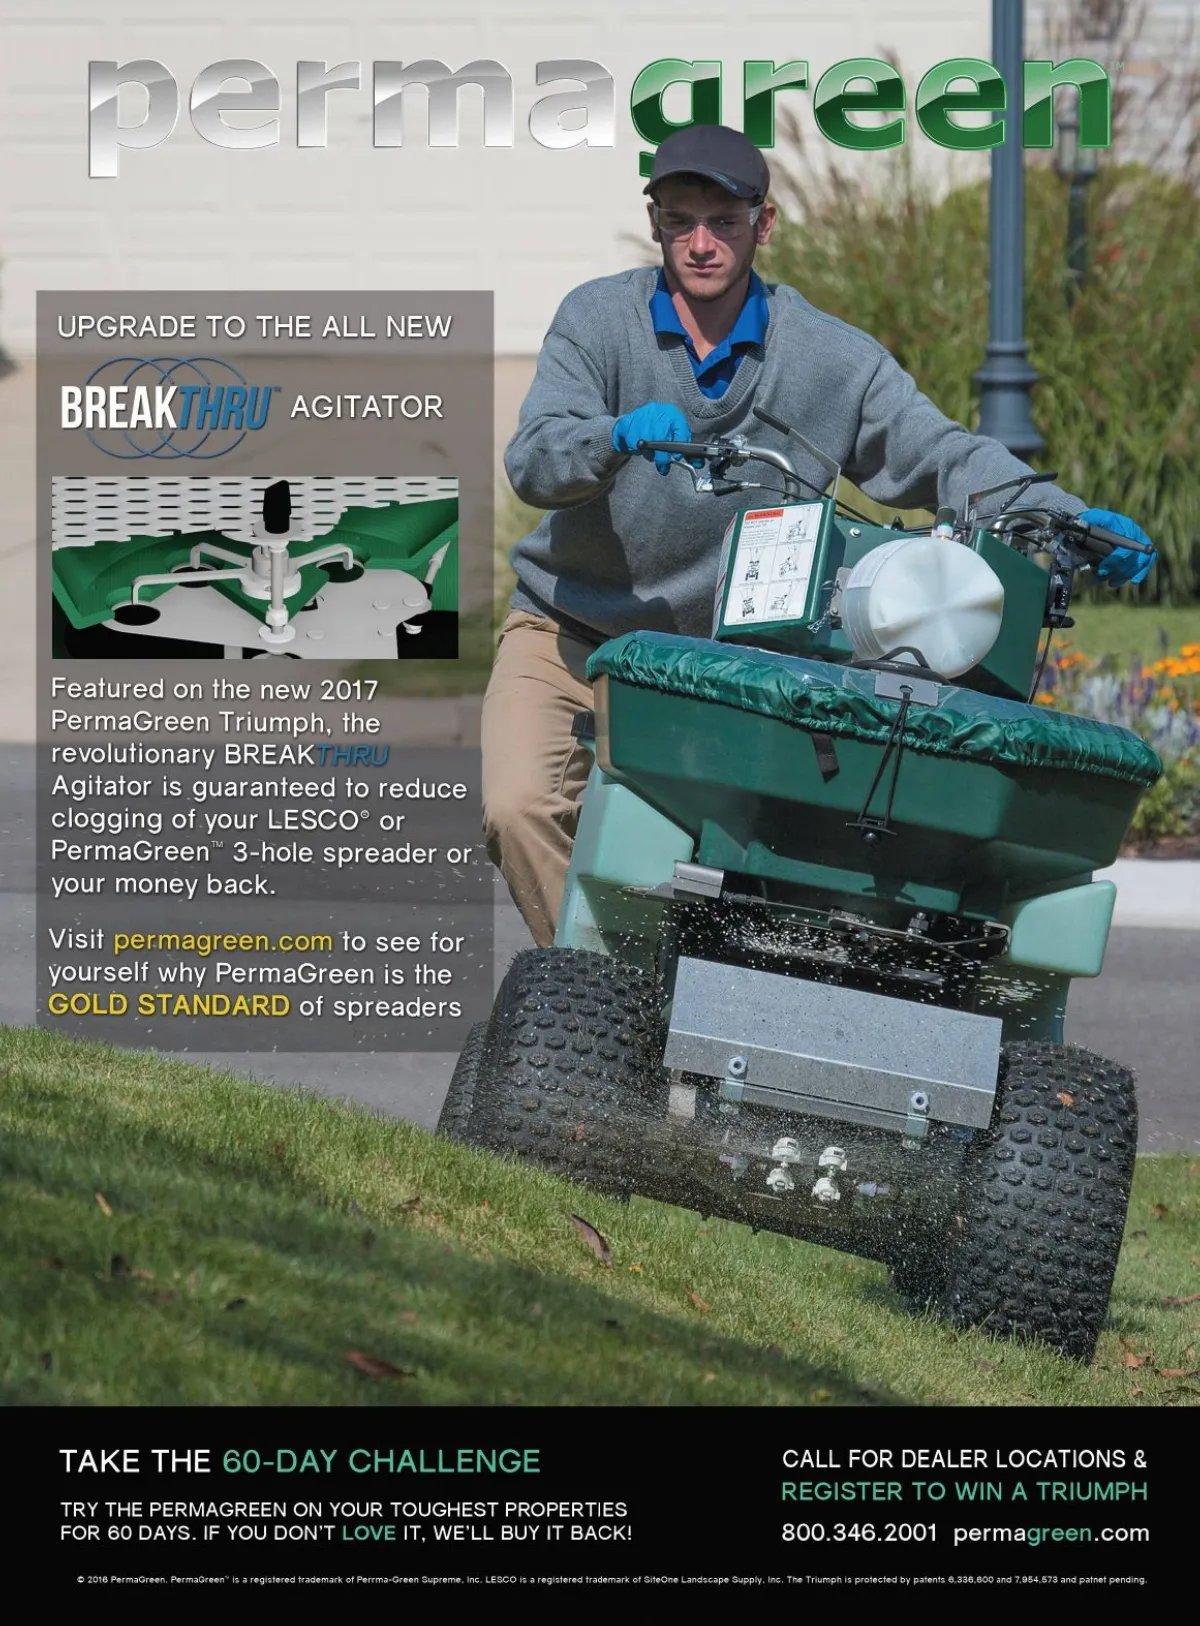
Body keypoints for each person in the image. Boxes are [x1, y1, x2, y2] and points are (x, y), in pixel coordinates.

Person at [483, 123, 1156, 947]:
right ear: (654, 222)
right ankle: (617, 989)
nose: (701, 243)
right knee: (518, 807)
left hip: (729, 669)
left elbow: (940, 453)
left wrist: (1067, 517)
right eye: (679, 221)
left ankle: (699, 990)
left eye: (724, 221)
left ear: (763, 225)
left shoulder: (831, 359)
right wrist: (611, 437)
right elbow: (534, 459)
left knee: (759, 864)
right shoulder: (597, 320)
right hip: (572, 629)